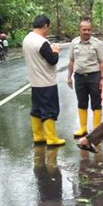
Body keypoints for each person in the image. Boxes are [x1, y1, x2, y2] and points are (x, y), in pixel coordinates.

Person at [23, 14, 65, 147]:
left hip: (34, 82)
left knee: (36, 109)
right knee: (49, 109)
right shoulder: (42, 42)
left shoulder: (27, 39)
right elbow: (53, 60)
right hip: (46, 82)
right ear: (45, 26)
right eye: (48, 28)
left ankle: (38, 136)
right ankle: (52, 138)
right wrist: (56, 51)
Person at [67, 19, 103, 139]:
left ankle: (96, 129)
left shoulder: (97, 43)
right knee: (81, 102)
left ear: (91, 30)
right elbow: (71, 61)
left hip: (94, 76)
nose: (86, 32)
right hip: (79, 77)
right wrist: (69, 76)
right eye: (84, 29)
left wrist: (102, 79)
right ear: (80, 30)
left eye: (88, 29)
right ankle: (83, 128)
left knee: (96, 103)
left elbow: (102, 62)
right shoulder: (74, 43)